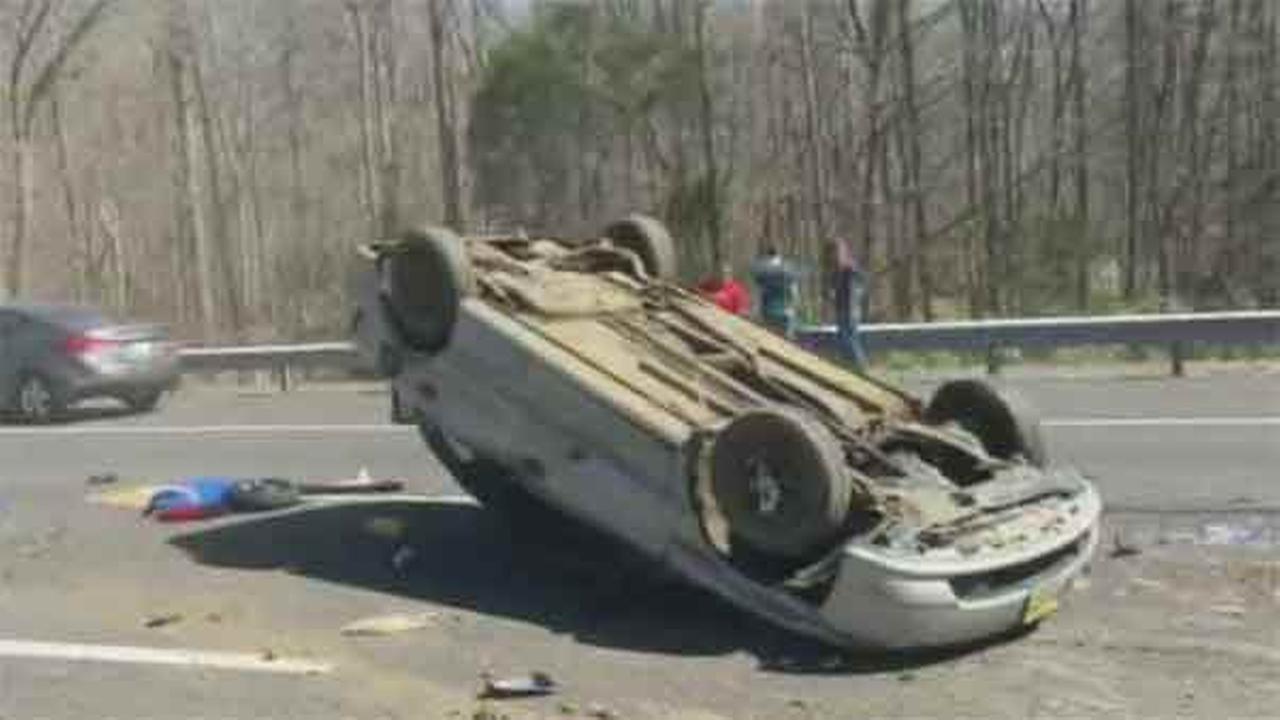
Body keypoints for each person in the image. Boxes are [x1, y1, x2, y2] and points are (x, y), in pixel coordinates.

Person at [827, 238, 869, 368]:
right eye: (832, 253)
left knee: (850, 340)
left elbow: (864, 280)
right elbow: (832, 288)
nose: (834, 255)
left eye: (837, 252)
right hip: (840, 308)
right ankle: (851, 366)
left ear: (843, 252)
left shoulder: (850, 267)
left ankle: (861, 367)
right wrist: (831, 294)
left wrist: (858, 294)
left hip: (851, 309)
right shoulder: (834, 270)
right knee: (844, 340)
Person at [750, 245, 798, 338]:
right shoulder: (787, 269)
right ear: (778, 256)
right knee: (787, 339)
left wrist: (756, 309)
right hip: (785, 311)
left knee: (770, 338)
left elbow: (758, 292)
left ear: (768, 256)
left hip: (768, 312)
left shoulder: (763, 271)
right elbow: (794, 290)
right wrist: (793, 306)